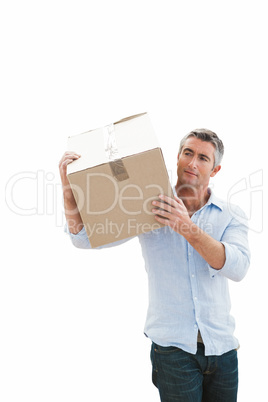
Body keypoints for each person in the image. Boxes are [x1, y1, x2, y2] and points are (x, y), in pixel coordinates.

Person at [59, 129, 250, 402]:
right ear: (177, 157)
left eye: (203, 158)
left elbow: (238, 267)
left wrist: (186, 227)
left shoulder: (230, 215)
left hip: (222, 349)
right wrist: (69, 194)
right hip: (173, 350)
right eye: (188, 153)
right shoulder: (148, 206)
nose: (193, 163)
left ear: (215, 169)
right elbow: (85, 239)